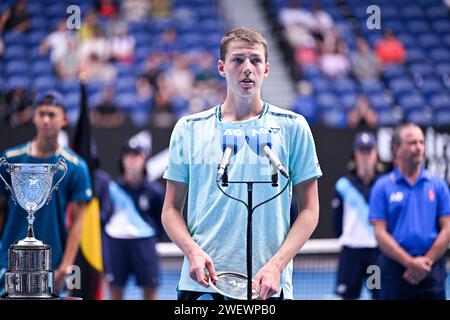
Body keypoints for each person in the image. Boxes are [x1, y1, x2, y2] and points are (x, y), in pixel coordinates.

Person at [162, 27, 322, 300]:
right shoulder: (188, 129)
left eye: (255, 60)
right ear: (222, 67)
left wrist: (276, 265)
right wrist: (192, 252)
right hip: (201, 284)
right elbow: (170, 210)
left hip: (268, 285)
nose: (247, 68)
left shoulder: (293, 127)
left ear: (267, 69)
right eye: (238, 60)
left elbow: (309, 210)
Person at [0, 90, 92, 295]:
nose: (46, 120)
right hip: (9, 262)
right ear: (34, 117)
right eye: (41, 114)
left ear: (64, 119)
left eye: (51, 114)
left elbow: (78, 223)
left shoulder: (75, 167)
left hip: (52, 263)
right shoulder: (10, 159)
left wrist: (65, 267)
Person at [369, 124, 450, 300]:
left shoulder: (438, 185)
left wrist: (424, 263)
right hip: (394, 273)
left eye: (421, 142)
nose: (419, 147)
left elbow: (448, 228)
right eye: (412, 142)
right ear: (396, 150)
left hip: (432, 271)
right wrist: (409, 263)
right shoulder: (382, 187)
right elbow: (380, 233)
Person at [102, 140, 164, 300]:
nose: (132, 160)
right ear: (122, 160)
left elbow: (161, 219)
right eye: (128, 155)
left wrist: (152, 237)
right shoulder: (111, 188)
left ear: (144, 160)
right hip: (116, 243)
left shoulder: (155, 191)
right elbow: (104, 217)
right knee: (115, 290)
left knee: (150, 290)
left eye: (137, 155)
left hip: (144, 243)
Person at [333, 131, 382, 299]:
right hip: (351, 254)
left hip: (376, 253)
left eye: (369, 151)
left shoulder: (384, 185)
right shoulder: (343, 185)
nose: (366, 156)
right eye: (362, 151)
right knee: (348, 296)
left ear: (376, 153)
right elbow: (337, 223)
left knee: (379, 295)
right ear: (355, 154)